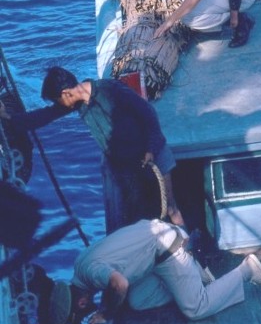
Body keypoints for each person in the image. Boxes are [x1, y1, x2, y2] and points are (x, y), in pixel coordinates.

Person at [0, 67, 184, 229]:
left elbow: (148, 115)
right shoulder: (77, 102)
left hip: (154, 154)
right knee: (139, 213)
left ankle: (189, 250)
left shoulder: (111, 89)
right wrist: (8, 118)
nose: (56, 105)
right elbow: (43, 116)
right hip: (129, 167)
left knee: (170, 205)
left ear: (65, 94)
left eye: (56, 100)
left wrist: (150, 149)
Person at [46, 218, 261, 324]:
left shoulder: (91, 274)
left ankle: (246, 270)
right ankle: (193, 276)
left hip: (169, 249)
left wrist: (105, 314)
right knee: (138, 301)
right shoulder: (80, 265)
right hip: (154, 255)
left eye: (83, 311)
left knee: (195, 309)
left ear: (82, 300)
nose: (88, 310)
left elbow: (120, 283)